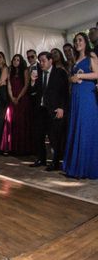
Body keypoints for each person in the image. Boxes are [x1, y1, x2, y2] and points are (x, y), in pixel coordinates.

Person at [63, 33, 98, 178]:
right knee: (76, 127)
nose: (77, 43)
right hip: (76, 98)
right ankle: (76, 166)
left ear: (86, 42)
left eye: (80, 40)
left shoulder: (92, 57)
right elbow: (73, 77)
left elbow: (97, 74)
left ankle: (86, 167)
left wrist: (81, 76)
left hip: (87, 97)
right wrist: (72, 79)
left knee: (85, 129)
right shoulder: (76, 60)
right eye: (75, 41)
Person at [30, 52, 69, 171]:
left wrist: (62, 107)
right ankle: (41, 159)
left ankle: (55, 162)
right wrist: (32, 82)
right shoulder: (38, 73)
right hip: (40, 109)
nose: (41, 63)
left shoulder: (60, 73)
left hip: (54, 109)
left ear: (50, 61)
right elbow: (33, 93)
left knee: (54, 137)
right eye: (40, 61)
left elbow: (65, 93)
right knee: (38, 135)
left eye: (43, 61)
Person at [1, 54, 31, 156]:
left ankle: (21, 149)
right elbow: (9, 85)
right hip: (12, 99)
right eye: (14, 59)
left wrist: (18, 97)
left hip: (22, 99)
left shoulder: (25, 70)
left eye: (18, 60)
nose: (15, 61)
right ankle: (10, 147)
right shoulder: (10, 71)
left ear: (21, 61)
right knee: (10, 121)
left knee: (21, 122)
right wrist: (12, 97)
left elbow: (26, 84)